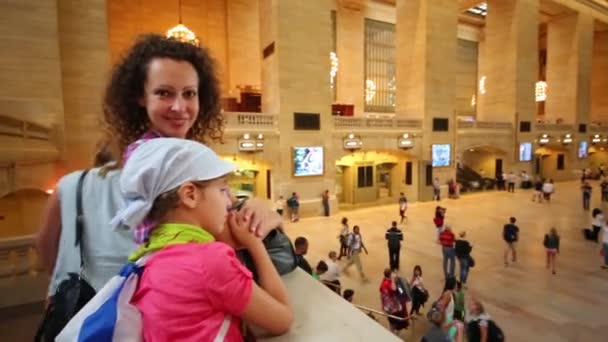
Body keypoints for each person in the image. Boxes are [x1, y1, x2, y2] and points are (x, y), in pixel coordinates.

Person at [37, 35, 280, 300]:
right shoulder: (179, 181)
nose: (179, 107)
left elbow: (49, 259)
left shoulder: (72, 185)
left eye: (189, 93)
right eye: (164, 93)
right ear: (140, 96)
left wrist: (259, 211)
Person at [98, 138, 293, 339]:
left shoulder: (150, 255)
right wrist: (255, 243)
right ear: (190, 195)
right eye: (222, 190)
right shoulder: (211, 261)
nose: (229, 202)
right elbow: (282, 320)